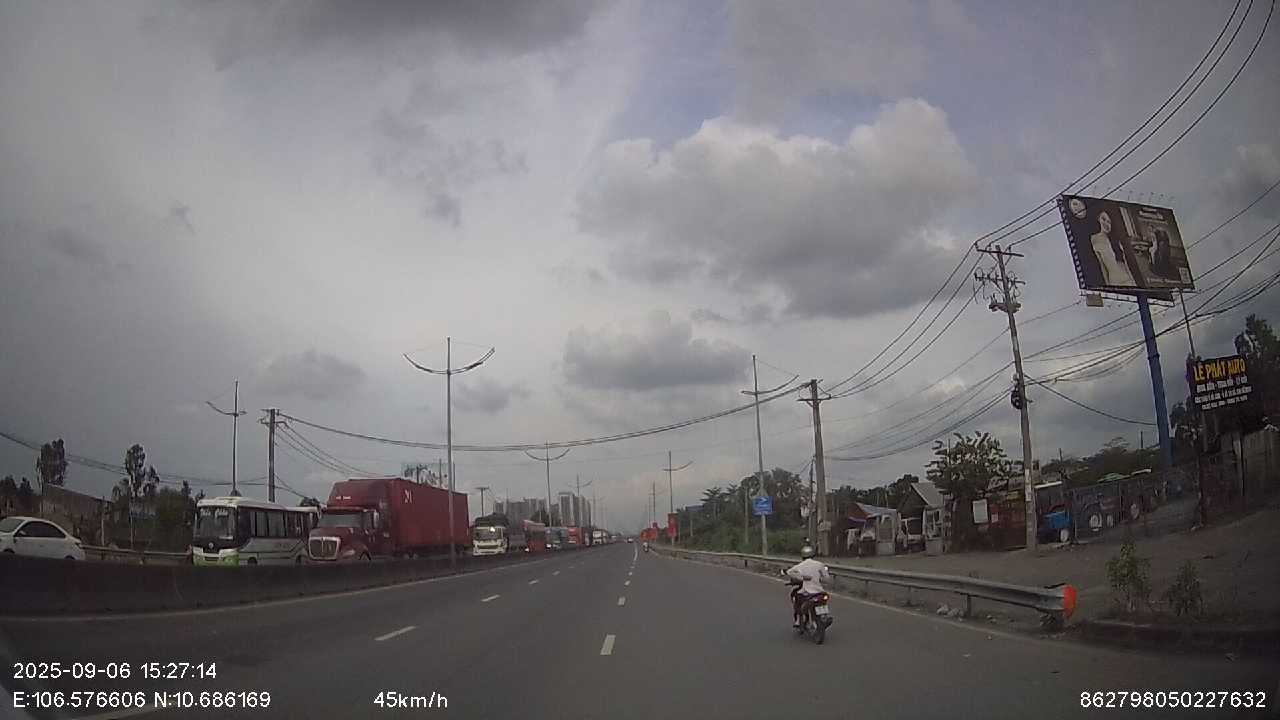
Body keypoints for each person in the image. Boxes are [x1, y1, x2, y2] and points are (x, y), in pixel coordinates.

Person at [785, 542, 831, 628]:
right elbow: (827, 578)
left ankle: (798, 620)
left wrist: (801, 578)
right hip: (819, 591)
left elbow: (789, 572)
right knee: (823, 600)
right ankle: (824, 616)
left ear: (802, 556)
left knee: (797, 599)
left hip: (807, 591)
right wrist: (820, 579)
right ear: (813, 555)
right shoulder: (820, 564)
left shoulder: (801, 565)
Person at [1090, 210, 1136, 288]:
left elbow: (1126, 264)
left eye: (1109, 222)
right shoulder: (1094, 239)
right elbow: (1102, 266)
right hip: (1114, 282)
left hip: (1127, 280)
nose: (1106, 223)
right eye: (1103, 219)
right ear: (1098, 219)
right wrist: (1108, 285)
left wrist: (1133, 282)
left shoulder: (1116, 241)